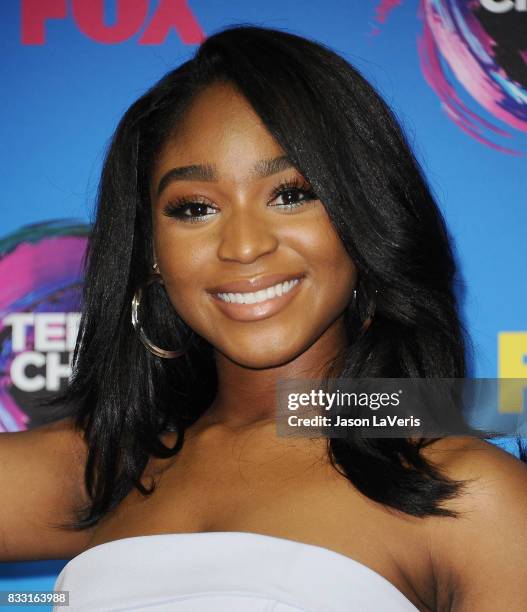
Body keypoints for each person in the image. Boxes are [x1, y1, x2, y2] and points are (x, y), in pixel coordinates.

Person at [1, 24, 527, 612]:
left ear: (364, 214)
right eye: (195, 208)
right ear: (152, 251)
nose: (244, 246)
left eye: (291, 194)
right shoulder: (106, 469)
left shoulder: (470, 492)